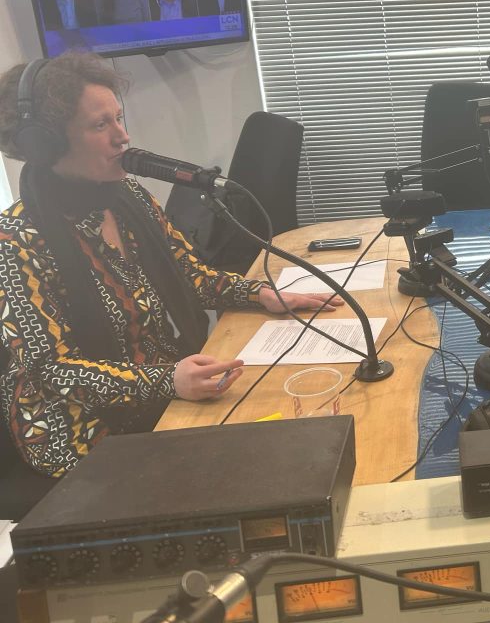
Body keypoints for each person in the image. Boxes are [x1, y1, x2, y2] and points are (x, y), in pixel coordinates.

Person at [0, 53, 337, 485]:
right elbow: (52, 370)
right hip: (83, 433)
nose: (122, 137)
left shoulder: (128, 198)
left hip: (166, 389)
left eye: (119, 118)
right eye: (100, 125)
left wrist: (261, 294)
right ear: (45, 145)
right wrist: (168, 381)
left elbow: (192, 277)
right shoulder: (16, 240)